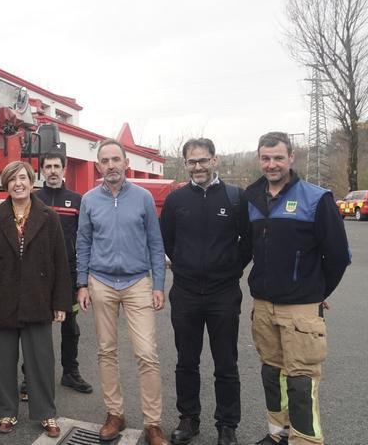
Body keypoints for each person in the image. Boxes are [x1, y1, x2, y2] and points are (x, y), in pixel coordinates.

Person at [244, 132, 349, 445]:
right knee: (272, 375)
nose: (272, 164)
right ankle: (278, 434)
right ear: (259, 159)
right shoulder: (251, 198)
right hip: (263, 306)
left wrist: (318, 292)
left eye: (278, 157)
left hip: (300, 310)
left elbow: (339, 256)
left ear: (291, 158)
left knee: (301, 382)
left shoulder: (317, 198)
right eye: (266, 158)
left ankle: (305, 440)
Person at [76, 139, 169, 445]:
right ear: (98, 165)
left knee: (147, 353)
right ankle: (115, 414)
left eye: (117, 159)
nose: (111, 165)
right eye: (105, 160)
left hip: (137, 282)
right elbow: (83, 243)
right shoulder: (89, 200)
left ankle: (153, 423)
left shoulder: (142, 198)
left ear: (126, 162)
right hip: (100, 282)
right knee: (106, 351)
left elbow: (156, 243)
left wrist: (157, 285)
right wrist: (81, 284)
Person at [160, 138, 252, 445]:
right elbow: (167, 241)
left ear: (215, 160)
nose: (197, 167)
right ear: (184, 164)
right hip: (185, 293)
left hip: (223, 294)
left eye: (203, 160)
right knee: (186, 361)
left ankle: (227, 425)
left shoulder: (235, 197)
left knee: (226, 363)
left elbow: (247, 245)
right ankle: (189, 420)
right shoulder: (176, 201)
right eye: (191, 162)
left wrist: (227, 271)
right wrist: (185, 268)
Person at [0, 161, 70, 438]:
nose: (18, 184)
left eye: (23, 178)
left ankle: (46, 413)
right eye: (12, 179)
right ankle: (6, 411)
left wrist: (60, 303)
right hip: (2, 299)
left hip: (38, 299)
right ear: (5, 185)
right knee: (3, 361)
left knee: (41, 361)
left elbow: (60, 263)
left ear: (32, 182)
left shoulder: (49, 217)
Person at [34, 150, 93, 395]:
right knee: (37, 327)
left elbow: (86, 240)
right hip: (38, 275)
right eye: (48, 167)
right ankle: (33, 376)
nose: (53, 171)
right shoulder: (33, 199)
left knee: (70, 326)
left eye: (57, 166)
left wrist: (83, 279)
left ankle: (70, 372)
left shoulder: (78, 200)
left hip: (68, 275)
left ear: (64, 169)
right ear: (42, 170)